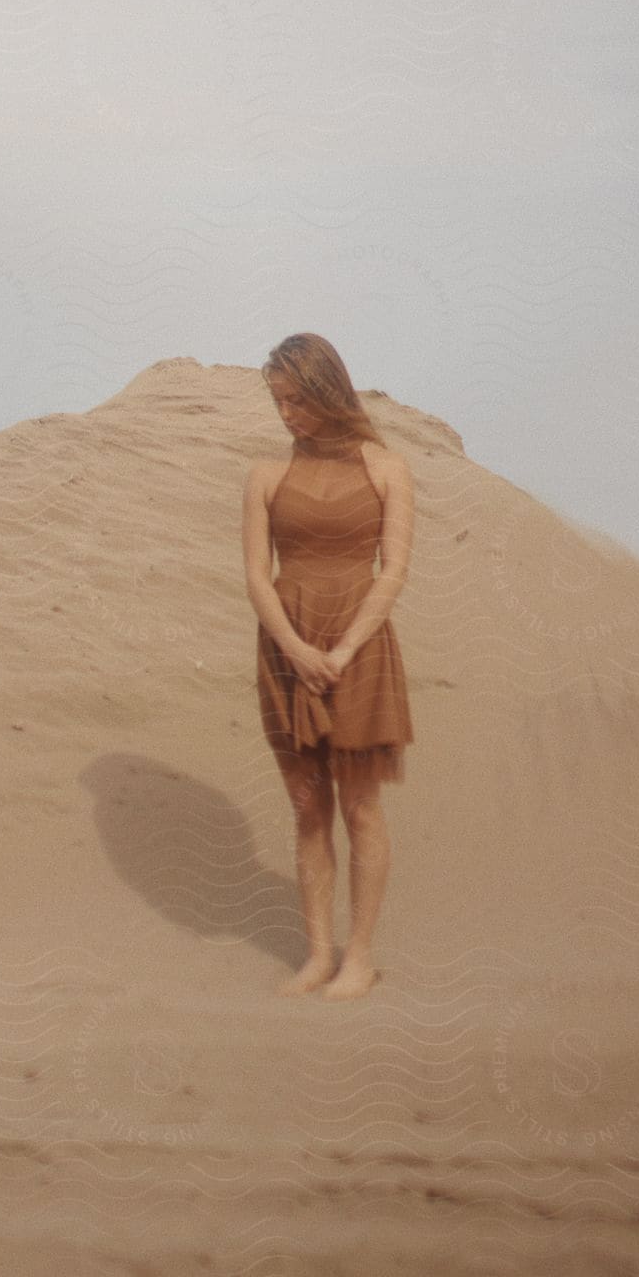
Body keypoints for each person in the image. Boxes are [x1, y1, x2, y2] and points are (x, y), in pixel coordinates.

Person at [241, 333, 414, 999]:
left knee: (360, 807)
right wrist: (295, 648)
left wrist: (341, 651)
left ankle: (359, 958)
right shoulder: (263, 475)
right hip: (286, 645)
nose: (286, 414)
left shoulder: (386, 466)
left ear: (326, 392)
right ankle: (317, 956)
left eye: (296, 400)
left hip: (361, 646)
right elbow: (257, 576)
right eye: (277, 401)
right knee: (308, 805)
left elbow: (393, 571)